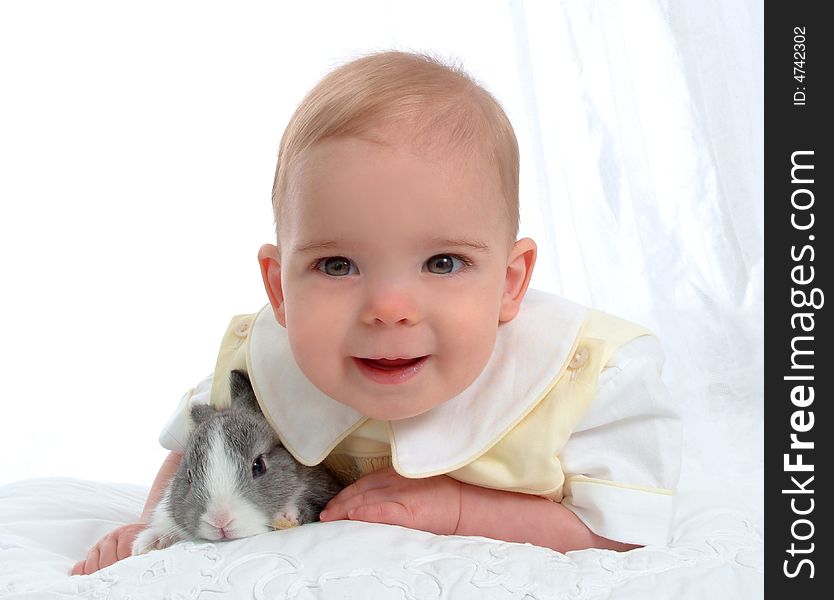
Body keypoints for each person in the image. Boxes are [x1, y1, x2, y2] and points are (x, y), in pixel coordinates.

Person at [72, 50, 680, 575]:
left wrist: (462, 509)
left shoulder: (579, 376)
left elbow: (619, 531)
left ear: (509, 282)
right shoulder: (263, 366)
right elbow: (198, 447)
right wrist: (155, 522)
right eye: (337, 265)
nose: (389, 310)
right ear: (279, 288)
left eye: (443, 263)